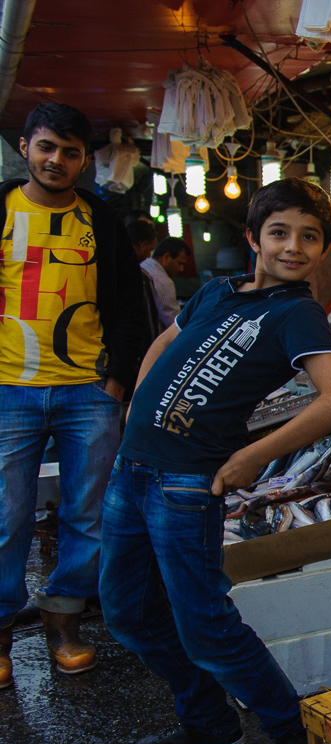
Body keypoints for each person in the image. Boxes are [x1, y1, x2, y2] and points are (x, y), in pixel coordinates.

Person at [99, 178, 331, 744]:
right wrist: (137, 404)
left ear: (322, 249)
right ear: (253, 237)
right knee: (127, 612)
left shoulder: (298, 314)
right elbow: (167, 340)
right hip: (132, 470)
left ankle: (292, 736)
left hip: (188, 486)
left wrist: (249, 457)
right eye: (280, 232)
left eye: (309, 236)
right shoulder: (217, 292)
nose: (293, 246)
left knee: (205, 626)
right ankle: (209, 721)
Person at [0, 102, 149, 686]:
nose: (55, 160)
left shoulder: (101, 220)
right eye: (45, 147)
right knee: (6, 518)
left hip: (87, 391)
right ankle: (4, 636)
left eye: (68, 152)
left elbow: (130, 309)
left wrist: (115, 379)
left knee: (88, 517)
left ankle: (64, 623)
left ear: (84, 161)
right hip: (9, 389)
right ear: (25, 149)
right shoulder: (3, 209)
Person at [127, 219, 164, 342]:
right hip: (136, 350)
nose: (149, 256)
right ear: (142, 245)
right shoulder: (142, 278)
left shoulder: (103, 270)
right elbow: (150, 321)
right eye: (150, 249)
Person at [141, 236, 187, 330]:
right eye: (179, 263)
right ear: (166, 257)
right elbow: (174, 324)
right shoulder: (164, 282)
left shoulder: (144, 265)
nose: (181, 269)